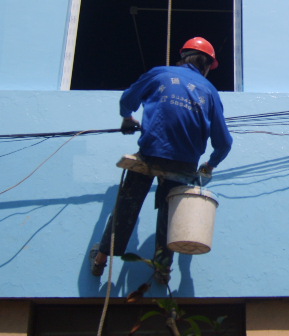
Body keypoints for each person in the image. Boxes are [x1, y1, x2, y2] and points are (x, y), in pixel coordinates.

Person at [90, 37, 233, 283]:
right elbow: (224, 142)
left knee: (128, 205)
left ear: (183, 56)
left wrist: (127, 119)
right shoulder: (210, 92)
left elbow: (128, 100)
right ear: (207, 65)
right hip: (185, 164)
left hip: (151, 154)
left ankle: (101, 259)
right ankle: (162, 270)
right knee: (170, 215)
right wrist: (210, 165)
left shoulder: (159, 74)